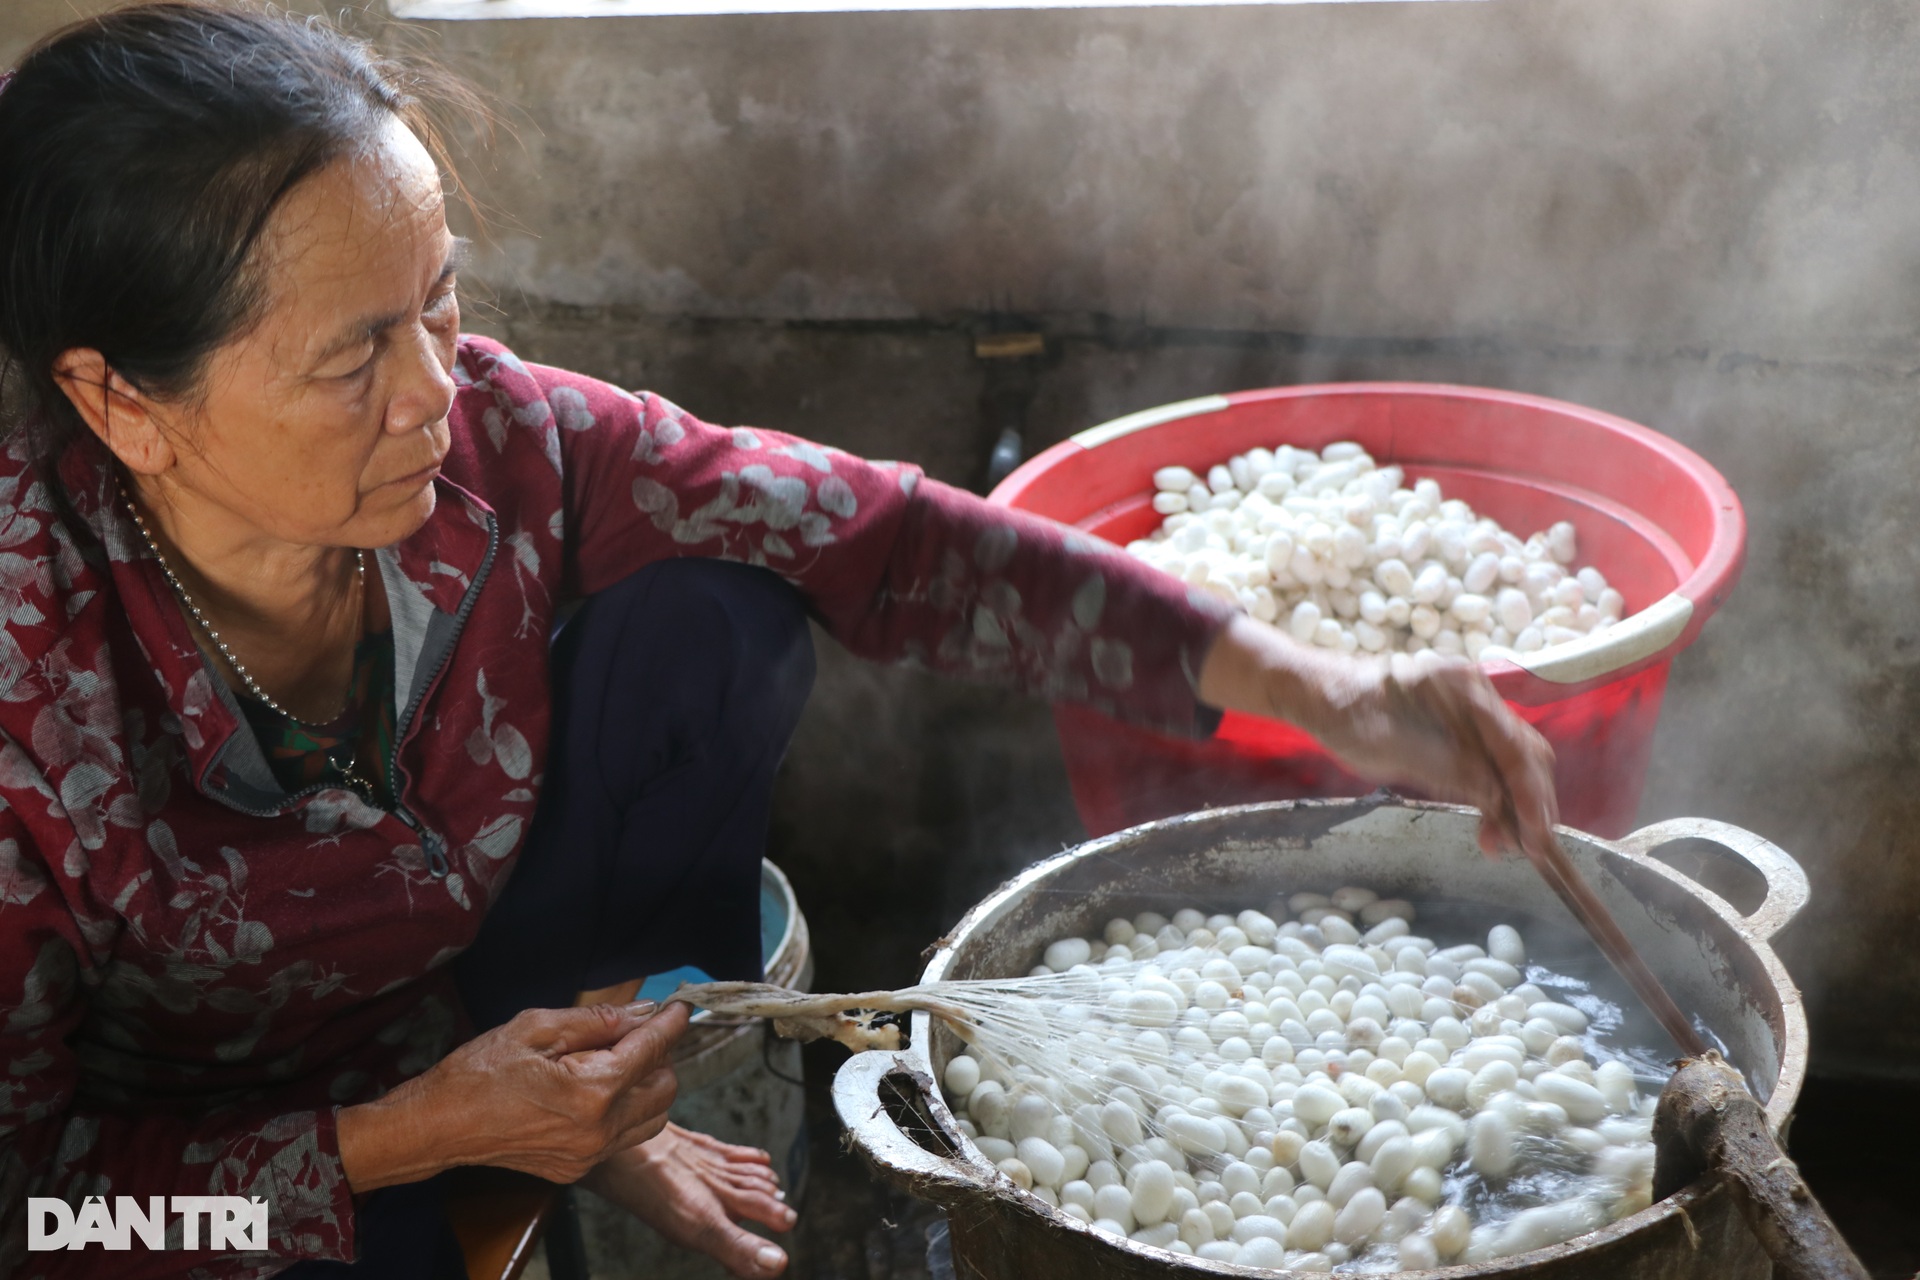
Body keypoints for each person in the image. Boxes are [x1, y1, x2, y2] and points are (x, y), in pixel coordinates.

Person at [0, 5, 1558, 1278]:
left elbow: (883, 536)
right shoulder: (32, 694)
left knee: (713, 611)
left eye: (442, 304)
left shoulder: (504, 445)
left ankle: (609, 1099)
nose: (432, 392)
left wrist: (1326, 689)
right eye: (354, 358)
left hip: (465, 990)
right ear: (121, 402)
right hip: (206, 1178)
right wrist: (416, 1136)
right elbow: (40, 1212)